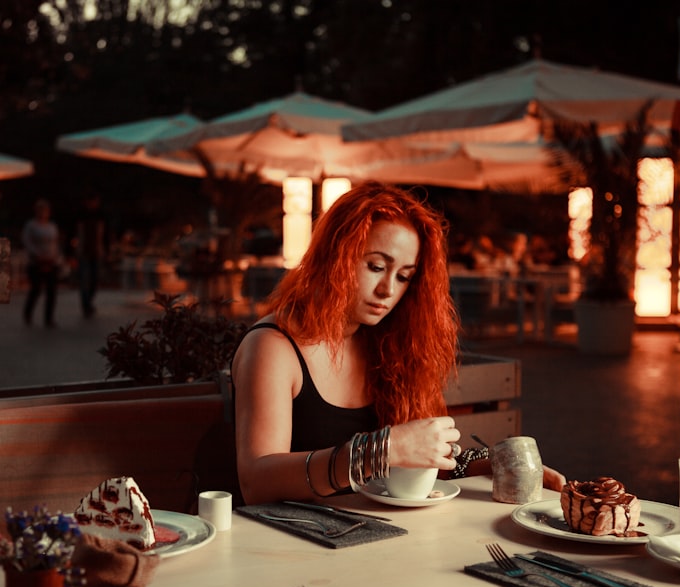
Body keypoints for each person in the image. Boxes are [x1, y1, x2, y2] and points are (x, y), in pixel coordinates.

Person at [231, 182, 565, 505]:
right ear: (333, 257)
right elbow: (256, 482)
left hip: (380, 536)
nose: (388, 290)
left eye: (404, 276)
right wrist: (380, 451)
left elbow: (420, 463)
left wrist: (489, 465)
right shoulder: (273, 346)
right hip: (289, 544)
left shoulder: (390, 342)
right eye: (376, 266)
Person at [22, 199, 62, 328]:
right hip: (36, 262)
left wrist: (54, 257)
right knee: (36, 289)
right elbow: (28, 242)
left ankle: (49, 318)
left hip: (51, 261)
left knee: (52, 291)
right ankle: (28, 313)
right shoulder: (31, 225)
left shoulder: (52, 226)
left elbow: (55, 244)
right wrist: (38, 256)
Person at [73, 192, 105, 319]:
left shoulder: (100, 215)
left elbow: (103, 234)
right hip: (84, 252)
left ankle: (88, 301)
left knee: (94, 279)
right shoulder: (81, 215)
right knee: (84, 280)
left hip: (96, 252)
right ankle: (86, 304)